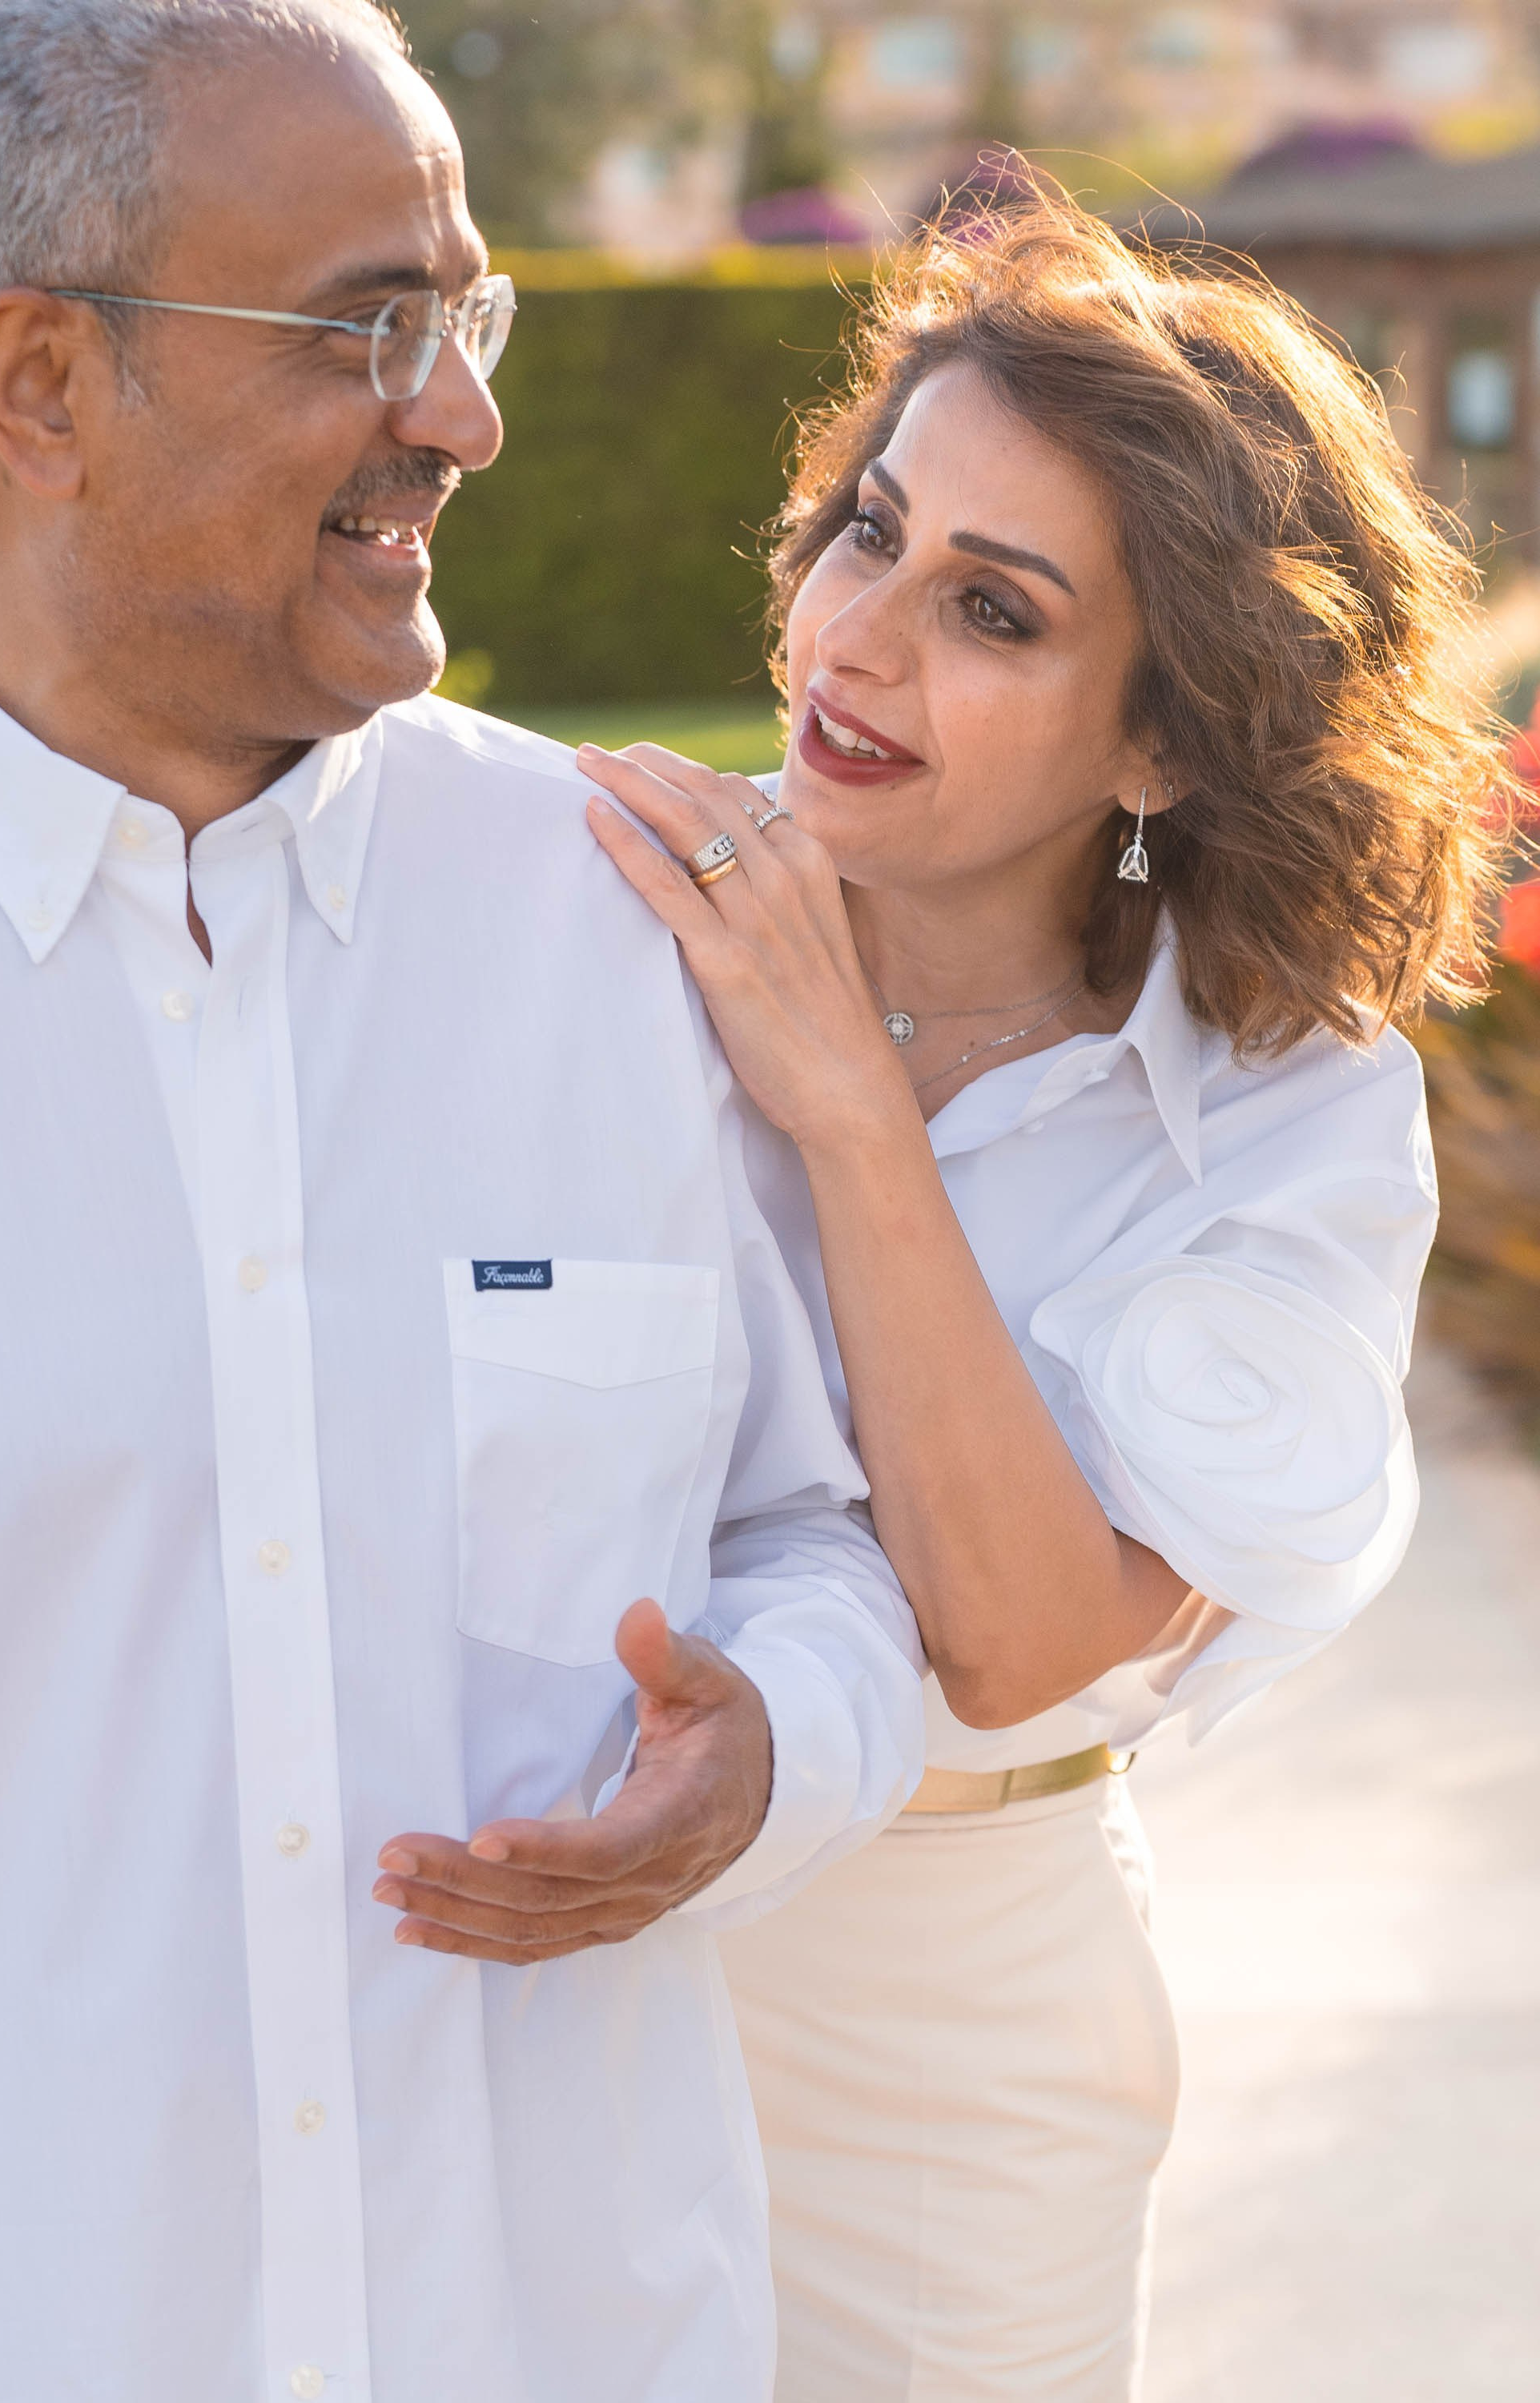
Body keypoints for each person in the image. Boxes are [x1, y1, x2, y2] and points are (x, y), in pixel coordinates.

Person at [0, 4, 925, 2397]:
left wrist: (769, 1751)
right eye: (367, 326)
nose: (467, 416)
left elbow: (815, 1534)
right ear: (44, 386)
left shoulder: (624, 915)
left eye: (465, 315)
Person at [585, 193, 1508, 2401]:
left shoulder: (1289, 1118)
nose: (857, 636)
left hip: (947, 2054)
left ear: (1162, 740)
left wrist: (853, 1116)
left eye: (992, 608)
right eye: (870, 532)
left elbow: (1018, 1635)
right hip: (534, 1951)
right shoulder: (587, 921)